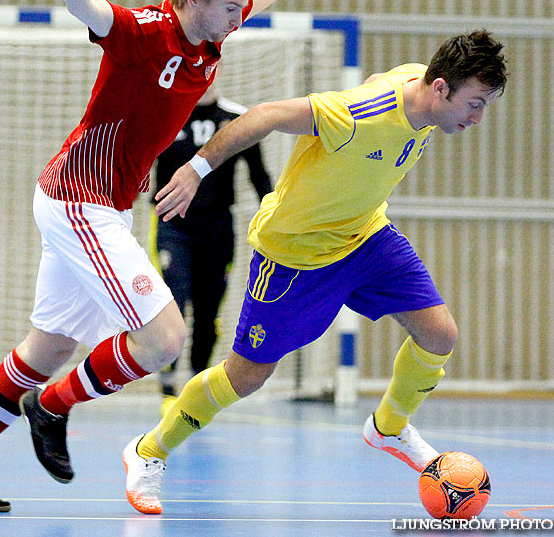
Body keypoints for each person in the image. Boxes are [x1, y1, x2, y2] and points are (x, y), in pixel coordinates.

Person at [0, 0, 314, 513]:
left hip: (95, 205)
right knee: (162, 340)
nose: (239, 15)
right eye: (228, 6)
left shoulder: (213, 32)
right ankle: (52, 406)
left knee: (45, 346)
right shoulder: (144, 32)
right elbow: (85, 3)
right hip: (80, 200)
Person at [121, 30, 508, 515]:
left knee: (439, 334)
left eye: (485, 105)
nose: (477, 117)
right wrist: (197, 169)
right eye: (474, 103)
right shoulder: (358, 112)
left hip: (365, 237)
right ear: (440, 89)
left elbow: (378, 78)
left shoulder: (418, 82)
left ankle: (387, 428)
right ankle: (149, 450)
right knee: (246, 376)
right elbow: (262, 116)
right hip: (295, 255)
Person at [150, 80, 273, 412]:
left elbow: (259, 177)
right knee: (173, 301)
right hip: (172, 224)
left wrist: (279, 219)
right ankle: (167, 390)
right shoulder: (166, 113)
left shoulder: (236, 119)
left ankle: (194, 388)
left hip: (218, 227)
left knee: (208, 311)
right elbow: (139, 161)